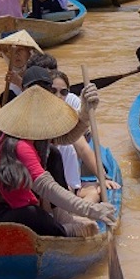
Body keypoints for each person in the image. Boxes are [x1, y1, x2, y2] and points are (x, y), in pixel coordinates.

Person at [0, 84, 116, 237]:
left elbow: (66, 137)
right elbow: (48, 187)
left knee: (53, 157)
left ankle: (61, 218)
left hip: (12, 206)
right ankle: (67, 231)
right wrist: (90, 210)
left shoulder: (31, 139)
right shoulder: (20, 146)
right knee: (34, 215)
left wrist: (85, 113)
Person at [48, 69, 121, 202]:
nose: (58, 96)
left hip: (69, 187)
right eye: (53, 91)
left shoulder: (65, 121)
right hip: (47, 188)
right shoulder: (37, 120)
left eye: (63, 92)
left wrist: (102, 178)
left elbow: (82, 148)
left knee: (94, 193)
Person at [0, 30, 43, 105]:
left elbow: (40, 100)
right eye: (12, 51)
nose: (16, 55)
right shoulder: (12, 77)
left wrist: (19, 82)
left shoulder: (39, 72)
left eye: (20, 50)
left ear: (29, 52)